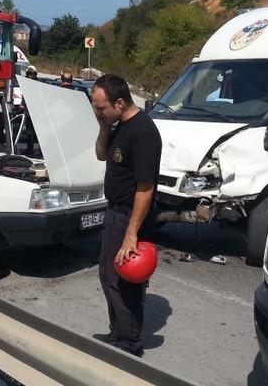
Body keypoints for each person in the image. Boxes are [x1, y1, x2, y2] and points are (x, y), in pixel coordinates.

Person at [91, 74, 162, 357]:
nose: (98, 112)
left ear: (120, 102)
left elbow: (145, 188)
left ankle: (130, 345)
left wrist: (131, 233)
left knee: (125, 280)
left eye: (101, 108)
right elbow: (100, 154)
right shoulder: (118, 125)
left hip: (130, 217)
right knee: (108, 275)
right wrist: (105, 126)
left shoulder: (143, 131)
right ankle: (118, 332)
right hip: (114, 213)